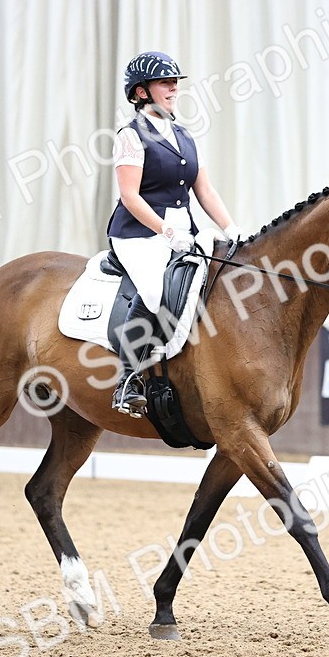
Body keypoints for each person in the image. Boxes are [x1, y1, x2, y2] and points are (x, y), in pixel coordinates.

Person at [106, 51, 243, 417]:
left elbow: (205, 190)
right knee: (155, 290)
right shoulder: (131, 136)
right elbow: (130, 196)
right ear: (141, 92)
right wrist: (165, 230)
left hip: (184, 230)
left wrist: (230, 227)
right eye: (165, 83)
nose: (173, 88)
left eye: (175, 82)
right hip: (138, 233)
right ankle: (127, 380)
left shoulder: (185, 136)